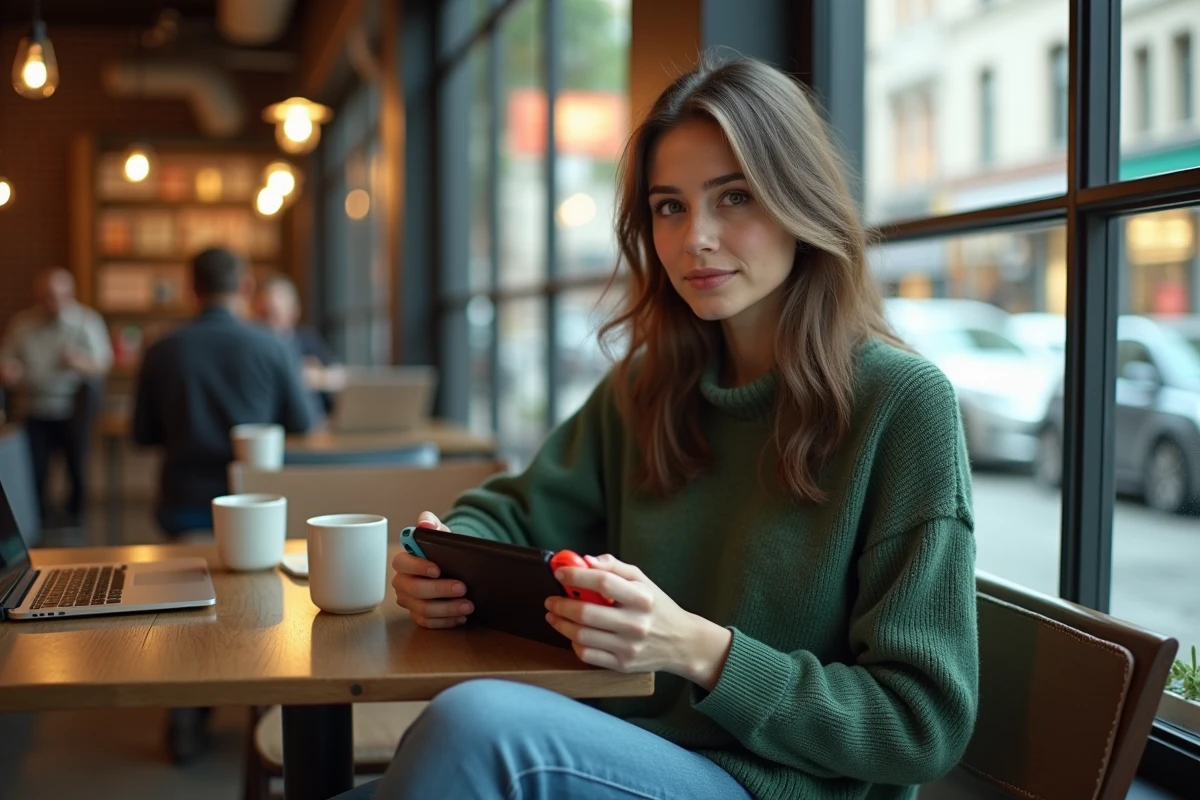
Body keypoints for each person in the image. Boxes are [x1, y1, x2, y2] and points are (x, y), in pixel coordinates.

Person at [348, 54, 980, 800]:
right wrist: (441, 559)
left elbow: (921, 724)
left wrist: (703, 651)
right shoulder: (651, 385)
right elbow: (514, 510)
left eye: (734, 197)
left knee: (476, 729)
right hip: (628, 753)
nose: (694, 239)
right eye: (669, 207)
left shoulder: (902, 404)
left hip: (774, 787)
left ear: (801, 202)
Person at [133, 249, 316, 539]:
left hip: (183, 505)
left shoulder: (161, 350)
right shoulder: (272, 346)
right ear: (246, 287)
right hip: (254, 506)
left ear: (191, 290)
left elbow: (142, 435)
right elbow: (304, 424)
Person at [0, 268, 112, 527]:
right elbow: (5, 360)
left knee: (77, 470)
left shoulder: (86, 321)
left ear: (70, 295)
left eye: (60, 295)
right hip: (34, 408)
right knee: (35, 472)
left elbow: (103, 364)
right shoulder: (23, 324)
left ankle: (76, 522)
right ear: (38, 296)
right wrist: (9, 370)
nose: (55, 302)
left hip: (73, 408)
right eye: (48, 296)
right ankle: (39, 524)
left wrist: (79, 362)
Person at [254, 273, 344, 414]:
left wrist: (316, 377)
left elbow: (339, 376)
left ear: (293, 313)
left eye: (274, 314)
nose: (268, 323)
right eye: (262, 314)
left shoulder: (305, 339)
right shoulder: (252, 347)